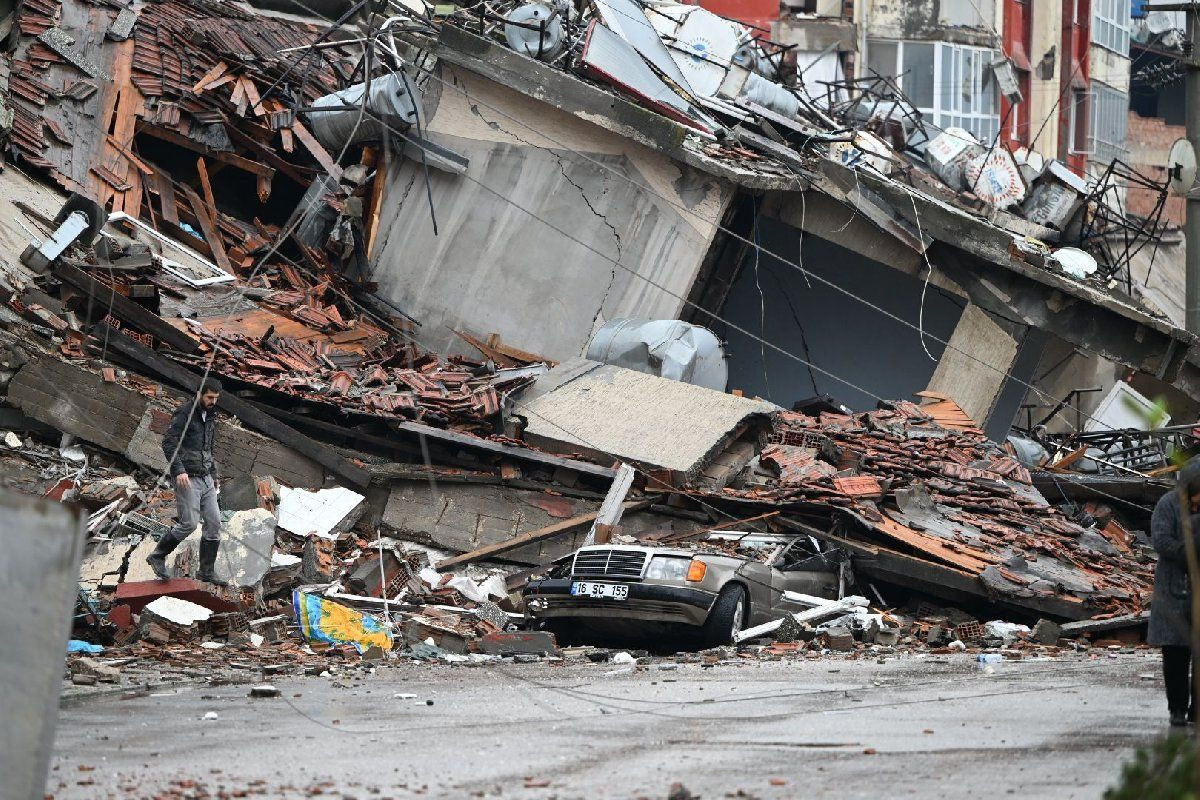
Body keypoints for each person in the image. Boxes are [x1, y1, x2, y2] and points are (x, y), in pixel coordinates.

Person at [146, 379, 225, 585]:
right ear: (199, 393)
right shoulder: (184, 413)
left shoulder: (211, 416)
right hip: (187, 477)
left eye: (216, 398)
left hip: (206, 476)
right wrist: (178, 470)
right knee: (189, 523)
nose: (212, 401)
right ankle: (158, 555)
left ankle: (206, 572)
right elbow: (169, 442)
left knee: (214, 523)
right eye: (209, 397)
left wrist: (214, 474)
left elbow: (209, 447)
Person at [1149, 457, 1200, 726]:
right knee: (1176, 656)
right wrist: (1187, 551)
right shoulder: (1168, 505)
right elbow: (1160, 539)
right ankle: (1177, 709)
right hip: (1173, 589)